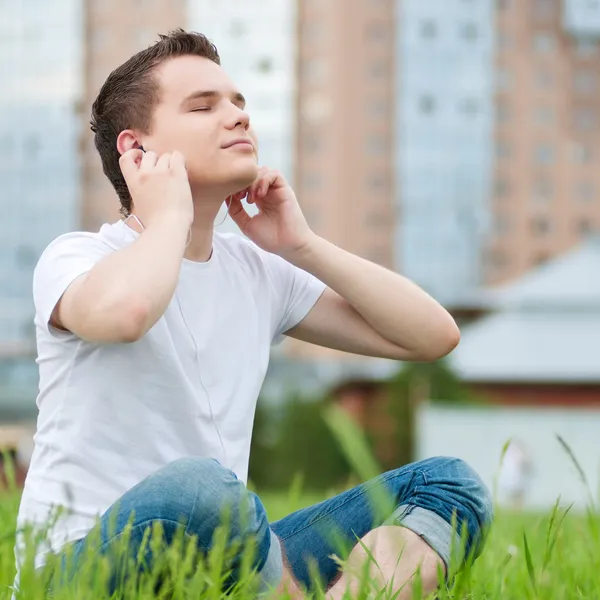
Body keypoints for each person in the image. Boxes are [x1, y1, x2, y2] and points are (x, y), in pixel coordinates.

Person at [14, 29, 492, 599]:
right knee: (201, 490)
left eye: (239, 102)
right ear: (136, 149)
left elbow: (431, 336)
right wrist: (168, 216)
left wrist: (302, 246)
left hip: (224, 560)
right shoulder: (79, 257)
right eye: (204, 106)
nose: (238, 117)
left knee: (447, 483)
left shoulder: (259, 270)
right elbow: (129, 313)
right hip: (82, 573)